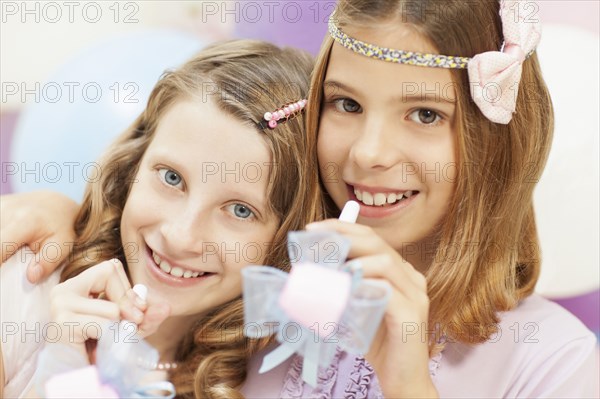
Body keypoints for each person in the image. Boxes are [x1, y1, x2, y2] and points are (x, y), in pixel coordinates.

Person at [3, 0, 598, 398]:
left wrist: (408, 380)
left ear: (493, 137)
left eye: (423, 113)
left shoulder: (556, 364)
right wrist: (76, 218)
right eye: (346, 103)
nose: (369, 153)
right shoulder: (259, 295)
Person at [0, 39, 322, 399]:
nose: (181, 236)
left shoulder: (281, 375)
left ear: (289, 236)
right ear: (132, 164)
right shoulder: (18, 293)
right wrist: (57, 371)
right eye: (171, 178)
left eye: (240, 210)